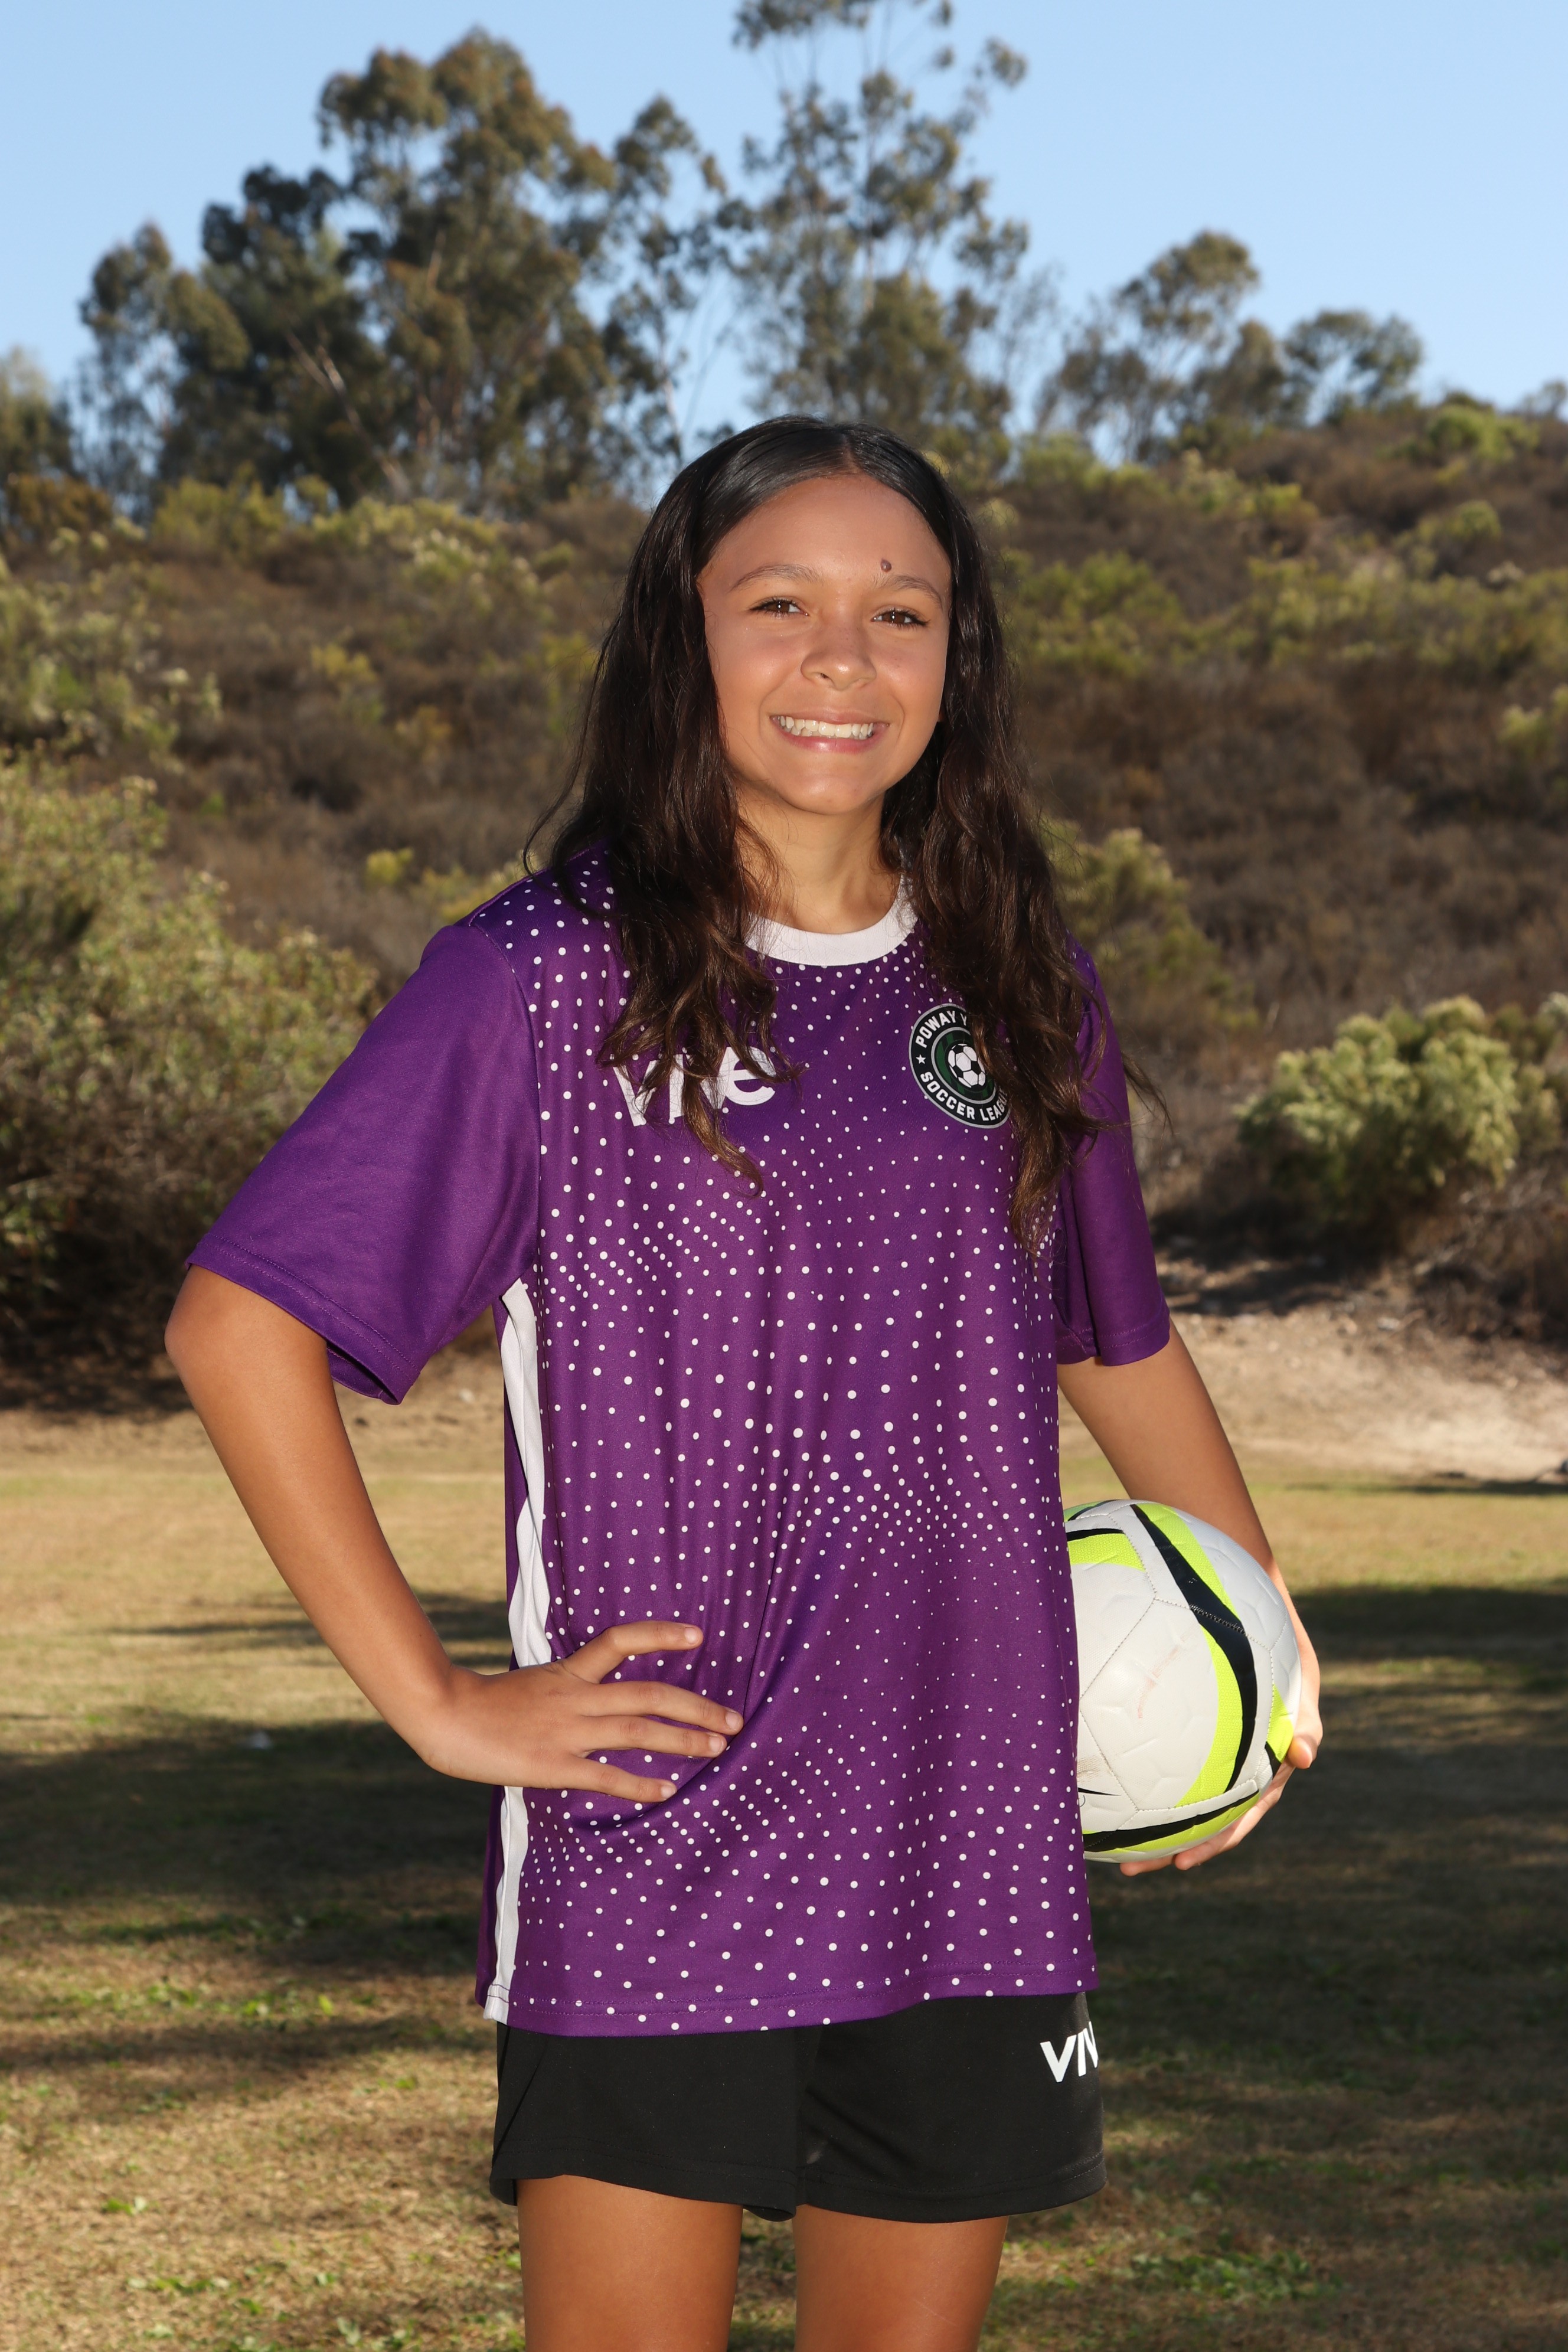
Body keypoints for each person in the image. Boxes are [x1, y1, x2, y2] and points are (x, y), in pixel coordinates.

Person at [166, 416, 1322, 2352]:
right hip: (661, 1827)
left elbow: (1110, 1336)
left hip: (967, 1823)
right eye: (778, 604)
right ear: (680, 637)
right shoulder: (544, 979)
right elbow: (241, 1324)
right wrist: (438, 1703)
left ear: (957, 655)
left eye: (902, 612)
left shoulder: (1022, 979)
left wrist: (1261, 1653)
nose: (842, 660)